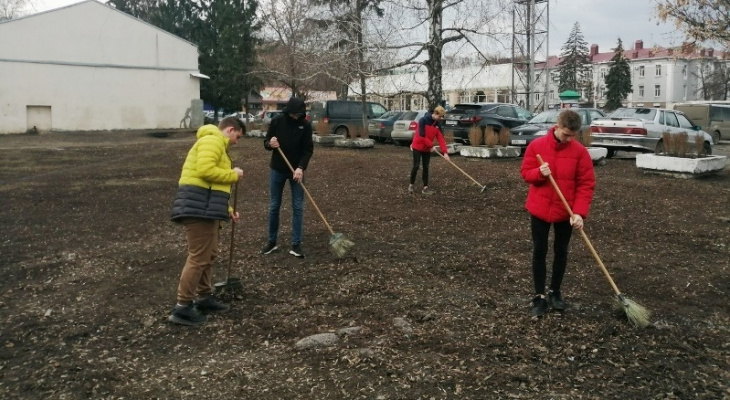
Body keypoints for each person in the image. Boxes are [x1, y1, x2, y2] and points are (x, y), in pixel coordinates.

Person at [168, 116, 245, 326]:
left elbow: (211, 186)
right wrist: (232, 174)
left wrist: (227, 209)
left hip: (206, 207)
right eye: (237, 136)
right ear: (230, 130)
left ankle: (203, 296)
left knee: (208, 255)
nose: (236, 142)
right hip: (197, 209)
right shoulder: (212, 140)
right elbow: (205, 170)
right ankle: (182, 307)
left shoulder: (216, 143)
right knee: (198, 257)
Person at [520, 109, 595, 317]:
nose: (568, 139)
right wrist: (539, 173)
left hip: (566, 211)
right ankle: (539, 296)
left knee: (561, 251)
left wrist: (579, 213)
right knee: (540, 250)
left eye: (572, 135)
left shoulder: (580, 152)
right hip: (539, 208)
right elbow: (526, 173)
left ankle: (555, 292)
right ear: (556, 126)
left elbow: (586, 184)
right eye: (565, 134)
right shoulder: (536, 147)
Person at [261, 97, 314, 258]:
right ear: (288, 112)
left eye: (298, 115)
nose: (296, 117)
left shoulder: (305, 125)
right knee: (274, 206)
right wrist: (270, 144)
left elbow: (308, 150)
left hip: (296, 172)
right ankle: (272, 242)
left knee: (298, 206)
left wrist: (300, 168)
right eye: (293, 114)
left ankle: (296, 244)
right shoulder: (277, 121)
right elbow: (266, 142)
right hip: (277, 169)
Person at [409, 106, 449, 195]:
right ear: (435, 113)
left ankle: (425, 188)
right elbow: (421, 136)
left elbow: (441, 138)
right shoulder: (423, 120)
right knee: (416, 166)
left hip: (427, 148)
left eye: (442, 117)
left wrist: (445, 152)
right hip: (417, 146)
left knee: (426, 167)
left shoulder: (437, 124)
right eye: (440, 116)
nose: (441, 118)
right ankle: (411, 185)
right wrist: (431, 145)